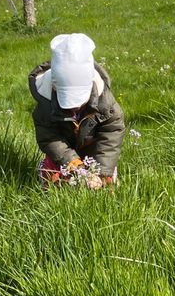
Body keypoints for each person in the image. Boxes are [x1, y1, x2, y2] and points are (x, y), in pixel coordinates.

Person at [29, 33, 125, 188]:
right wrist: (75, 165)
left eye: (79, 99)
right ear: (54, 87)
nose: (75, 107)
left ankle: (101, 174)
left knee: (106, 182)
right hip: (63, 152)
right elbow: (49, 139)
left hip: (92, 149)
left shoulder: (105, 103)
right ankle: (49, 169)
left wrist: (101, 170)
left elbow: (112, 134)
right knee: (55, 181)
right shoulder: (46, 105)